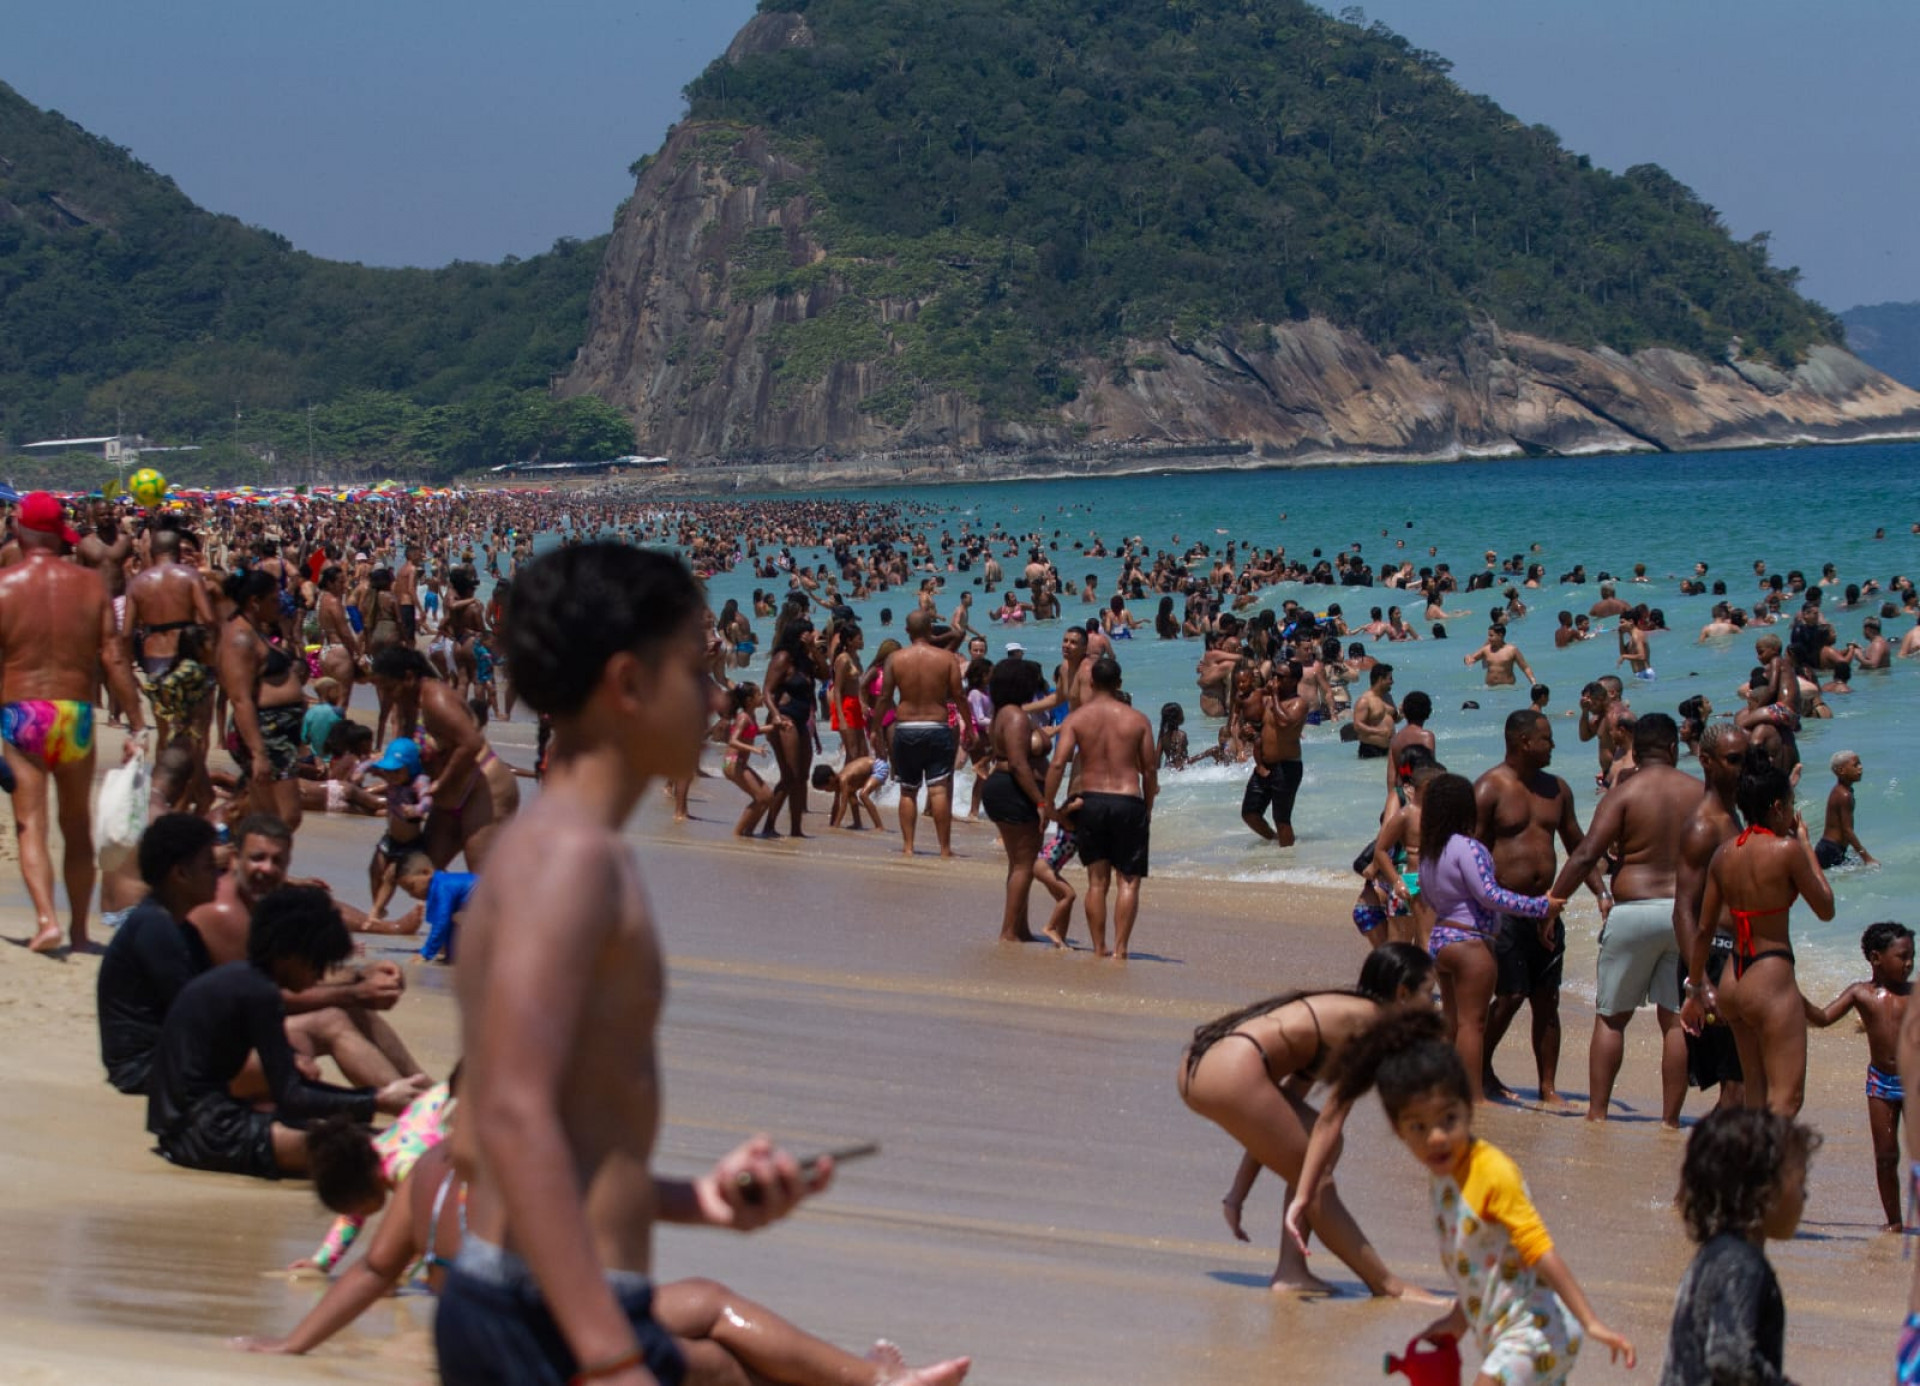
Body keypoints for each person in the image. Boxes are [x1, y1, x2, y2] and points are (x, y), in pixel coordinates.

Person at [442, 542, 969, 1386]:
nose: (720, 698)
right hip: (550, 1323)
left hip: (540, 1304)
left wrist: (699, 1202)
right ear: (628, 686)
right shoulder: (569, 862)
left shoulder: (563, 852)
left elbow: (473, 1140)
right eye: (697, 671)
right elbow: (505, 1118)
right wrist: (610, 1358)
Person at [1298, 1011, 1634, 1383]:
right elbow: (1481, 1265)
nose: (1436, 1137)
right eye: (1419, 1126)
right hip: (1502, 1332)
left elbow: (1540, 1250)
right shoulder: (1443, 1178)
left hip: (1536, 1333)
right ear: (1398, 1130)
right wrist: (1458, 1321)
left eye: (1448, 1119)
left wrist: (1592, 1323)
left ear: (1467, 1108)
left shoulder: (1492, 1173)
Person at [1181, 944, 1439, 1298]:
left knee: (1309, 1154)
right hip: (1233, 1068)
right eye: (1430, 994)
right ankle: (1388, 1285)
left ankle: (1292, 1271)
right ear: (1403, 993)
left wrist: (1236, 1196)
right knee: (1320, 1162)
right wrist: (1307, 1193)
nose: (1435, 1004)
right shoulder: (1374, 1024)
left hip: (1199, 1067)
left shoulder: (1343, 1011)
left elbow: (1276, 1120)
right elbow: (1331, 1121)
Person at [146, 885, 429, 1177]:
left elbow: (289, 1089)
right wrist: (377, 1099)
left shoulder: (241, 979)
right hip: (208, 1133)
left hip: (187, 1124)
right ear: (291, 957)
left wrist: (372, 1099)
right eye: (318, 965)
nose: (320, 976)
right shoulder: (260, 993)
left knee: (365, 1134)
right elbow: (292, 1095)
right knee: (378, 1150)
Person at [0, 492, 147, 952]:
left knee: (30, 824)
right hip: (76, 713)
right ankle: (81, 931)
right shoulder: (89, 587)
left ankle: (46, 920)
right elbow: (114, 657)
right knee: (76, 824)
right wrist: (137, 723)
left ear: (20, 532)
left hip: (23, 714)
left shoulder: (4, 586)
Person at [190, 814, 424, 1087]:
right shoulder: (225, 912)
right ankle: (413, 1104)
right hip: (201, 1047)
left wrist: (361, 976)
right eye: (257, 858)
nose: (266, 868)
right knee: (334, 1019)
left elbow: (285, 978)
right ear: (234, 857)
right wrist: (355, 991)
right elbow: (259, 998)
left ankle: (423, 1093)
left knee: (346, 995)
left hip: (230, 1023)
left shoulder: (255, 900)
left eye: (277, 861)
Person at [1548, 713, 1696, 1126]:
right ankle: (1669, 1121)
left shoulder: (1624, 794)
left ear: (1637, 748)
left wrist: (1555, 901)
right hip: (1684, 915)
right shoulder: (1699, 793)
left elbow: (1585, 854)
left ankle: (1597, 1114)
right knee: (1674, 1021)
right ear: (1673, 749)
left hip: (1632, 911)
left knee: (1612, 1018)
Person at [1681, 765, 1835, 1117]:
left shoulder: (1724, 853)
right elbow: (1826, 908)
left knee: (1756, 1092)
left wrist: (1694, 989)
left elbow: (1703, 930)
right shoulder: (1786, 850)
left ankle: (1748, 1169)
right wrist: (1807, 846)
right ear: (1778, 807)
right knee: (1786, 1100)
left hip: (1733, 980)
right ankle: (1768, 1172)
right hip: (1771, 977)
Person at [1475, 710, 1597, 1105]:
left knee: (1547, 998)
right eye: (1546, 739)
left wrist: (1601, 892)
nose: (1553, 746)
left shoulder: (1557, 789)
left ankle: (1547, 1085)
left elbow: (1579, 845)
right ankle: (1479, 1069)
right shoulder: (1489, 788)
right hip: (1503, 909)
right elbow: (1469, 851)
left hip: (1547, 910)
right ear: (1524, 741)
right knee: (1510, 995)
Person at [1417, 773, 1560, 1106]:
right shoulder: (1470, 848)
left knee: (1452, 1021)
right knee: (1472, 1025)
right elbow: (1490, 895)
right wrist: (1541, 906)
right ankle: (1474, 1096)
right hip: (1470, 942)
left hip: (1442, 937)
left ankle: (1446, 1088)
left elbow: (1427, 897)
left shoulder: (1429, 853)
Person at [1659, 1108, 1816, 1386]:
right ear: (1763, 1192)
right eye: (1800, 1182)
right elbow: (1729, 1358)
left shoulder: (1715, 1254)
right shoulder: (1743, 1265)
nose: (1805, 1194)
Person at [95, 813, 221, 1094]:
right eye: (210, 867)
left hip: (163, 1058)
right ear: (180, 874)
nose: (218, 876)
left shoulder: (179, 926)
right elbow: (197, 1009)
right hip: (140, 1069)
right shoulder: (155, 927)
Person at [1043, 654, 1156, 961]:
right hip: (1128, 800)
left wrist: (1047, 804)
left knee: (1097, 881)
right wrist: (1147, 807)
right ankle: (1120, 949)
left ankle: (1098, 948)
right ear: (1119, 684)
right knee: (1128, 880)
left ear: (1091, 682)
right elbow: (1149, 770)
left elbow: (1057, 764)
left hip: (1091, 800)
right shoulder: (1138, 720)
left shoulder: (1077, 719)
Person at [1804, 921, 1913, 1231]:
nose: (1909, 964)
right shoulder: (1860, 994)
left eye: (1912, 957)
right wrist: (1795, 1000)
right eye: (1902, 956)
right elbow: (1824, 1018)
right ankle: (1893, 1221)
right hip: (1880, 1082)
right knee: (1885, 1156)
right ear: (1876, 958)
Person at [1674, 723, 1751, 1110]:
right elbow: (1683, 911)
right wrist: (1699, 981)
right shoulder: (1704, 826)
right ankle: (1700, 1167)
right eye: (1734, 760)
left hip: (1733, 958)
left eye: (1747, 758)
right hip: (1713, 962)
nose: (1743, 768)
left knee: (1744, 1085)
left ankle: (1719, 1166)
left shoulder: (1732, 815)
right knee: (1737, 1089)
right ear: (1705, 761)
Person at [980, 658, 1058, 945]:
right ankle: (1010, 932)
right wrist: (1040, 801)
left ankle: (1019, 928)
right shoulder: (1014, 716)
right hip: (1014, 791)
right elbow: (1017, 763)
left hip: (1006, 789)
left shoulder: (1005, 712)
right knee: (1023, 865)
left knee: (1018, 864)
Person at [877, 610, 963, 858]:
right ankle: (945, 849)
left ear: (907, 631)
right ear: (930, 631)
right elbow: (958, 695)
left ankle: (908, 847)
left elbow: (884, 698)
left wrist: (875, 729)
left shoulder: (895, 658)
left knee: (908, 790)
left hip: (905, 727)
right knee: (938, 790)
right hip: (936, 726)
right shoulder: (947, 658)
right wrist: (969, 725)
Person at [1242, 661, 1306, 848]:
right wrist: (1250, 732)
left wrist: (1275, 696)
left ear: (1294, 681)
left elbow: (1284, 723)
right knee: (1250, 813)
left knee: (1281, 818)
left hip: (1287, 766)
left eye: (1281, 677)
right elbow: (1265, 726)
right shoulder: (1270, 701)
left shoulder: (1299, 704)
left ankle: (1287, 859)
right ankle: (1275, 841)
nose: (1275, 680)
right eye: (1274, 675)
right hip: (1265, 765)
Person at [720, 683, 778, 837]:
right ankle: (738, 834)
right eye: (759, 694)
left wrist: (777, 726)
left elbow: (755, 731)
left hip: (737, 763)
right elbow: (733, 741)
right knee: (760, 798)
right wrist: (754, 749)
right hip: (732, 761)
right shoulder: (743, 717)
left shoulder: (750, 716)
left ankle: (748, 832)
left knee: (767, 797)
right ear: (749, 700)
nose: (762, 697)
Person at [1813, 749, 1876, 870]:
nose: (1860, 768)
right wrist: (1866, 857)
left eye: (1860, 763)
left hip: (1829, 848)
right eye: (1855, 765)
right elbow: (1847, 831)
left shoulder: (1843, 791)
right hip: (1830, 851)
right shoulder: (1844, 795)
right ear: (1841, 771)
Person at [1462, 624, 1536, 688]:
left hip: (1508, 688)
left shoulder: (1512, 650)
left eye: (1491, 635)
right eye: (1488, 635)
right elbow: (1472, 659)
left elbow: (1525, 667)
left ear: (1500, 635)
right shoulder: (1486, 650)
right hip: (1490, 688)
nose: (1488, 638)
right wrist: (1466, 659)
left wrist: (1533, 682)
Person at [1352, 662, 1397, 760]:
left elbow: (1393, 720)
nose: (1392, 682)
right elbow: (1357, 725)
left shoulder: (1388, 697)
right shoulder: (1365, 700)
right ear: (1381, 680)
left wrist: (1403, 712)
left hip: (1389, 749)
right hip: (1371, 750)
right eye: (1390, 678)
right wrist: (1379, 732)